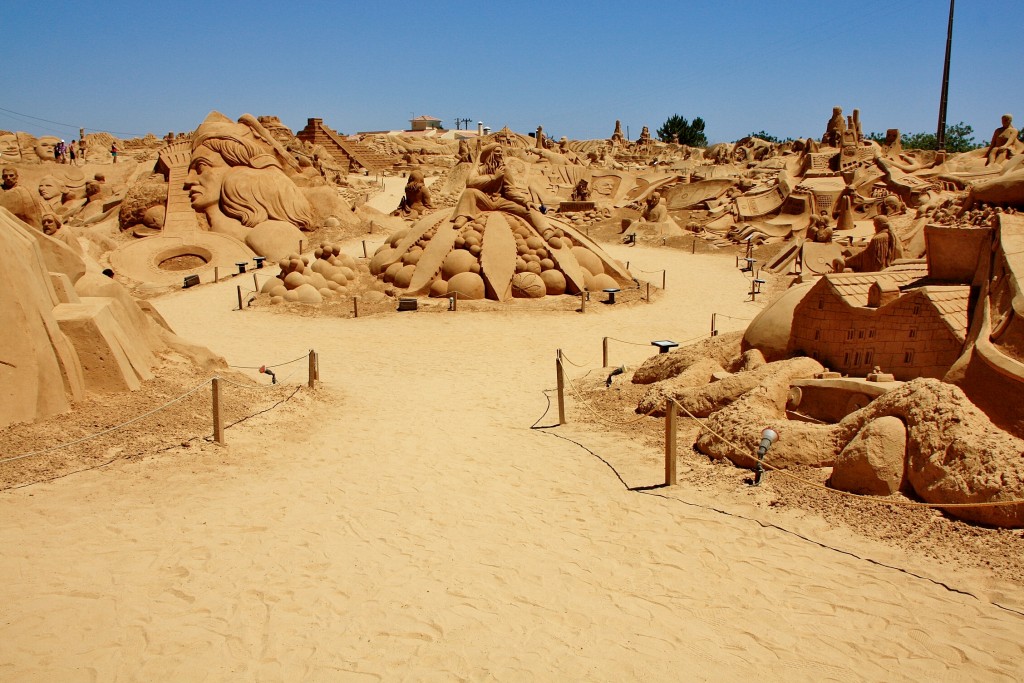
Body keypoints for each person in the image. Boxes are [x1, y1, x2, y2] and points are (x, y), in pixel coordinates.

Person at [450, 144, 546, 230]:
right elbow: (470, 182)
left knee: (528, 209)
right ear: (490, 154)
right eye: (497, 152)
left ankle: (546, 230)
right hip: (483, 199)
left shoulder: (504, 169)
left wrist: (525, 201)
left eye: (501, 152)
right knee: (469, 192)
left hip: (500, 200)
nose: (500, 154)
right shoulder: (479, 168)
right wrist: (493, 177)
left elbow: (510, 190)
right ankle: (462, 216)